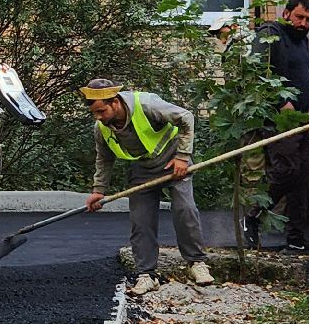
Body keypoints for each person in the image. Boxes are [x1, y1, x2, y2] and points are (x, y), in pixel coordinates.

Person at [81, 78, 214, 294]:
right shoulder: (102, 128)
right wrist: (98, 191)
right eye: (95, 113)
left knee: (184, 210)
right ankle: (147, 275)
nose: (98, 117)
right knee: (141, 222)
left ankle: (197, 263)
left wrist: (182, 156)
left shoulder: (147, 105)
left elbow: (186, 117)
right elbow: (104, 159)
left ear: (115, 103)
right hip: (141, 170)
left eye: (101, 111)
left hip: (173, 162)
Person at [248, 0, 309, 251]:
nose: (303, 24)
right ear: (286, 13)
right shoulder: (270, 34)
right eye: (299, 17)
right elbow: (258, 72)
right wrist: (280, 101)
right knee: (286, 169)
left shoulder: (303, 42)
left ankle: (296, 239)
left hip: (301, 118)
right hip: (278, 118)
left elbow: (304, 74)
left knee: (302, 178)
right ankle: (252, 215)